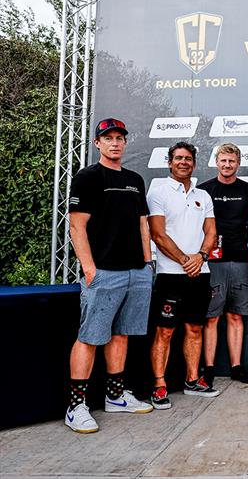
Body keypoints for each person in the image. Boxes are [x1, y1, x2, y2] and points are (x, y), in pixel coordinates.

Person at [65, 118, 154, 433]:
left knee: (121, 334)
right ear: (97, 143)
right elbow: (77, 225)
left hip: (136, 272)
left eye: (120, 138)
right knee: (89, 337)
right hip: (103, 271)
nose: (115, 143)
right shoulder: (88, 177)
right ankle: (76, 406)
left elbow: (143, 223)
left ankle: (115, 397)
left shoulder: (134, 179)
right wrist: (89, 269)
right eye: (108, 138)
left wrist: (147, 263)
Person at [147, 141, 219, 409]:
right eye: (178, 158)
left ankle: (192, 380)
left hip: (200, 272)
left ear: (194, 163)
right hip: (171, 275)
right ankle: (159, 385)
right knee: (165, 331)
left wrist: (199, 257)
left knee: (195, 328)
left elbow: (212, 232)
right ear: (169, 162)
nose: (183, 162)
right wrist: (184, 260)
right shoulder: (158, 193)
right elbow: (158, 234)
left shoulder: (204, 196)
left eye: (188, 158)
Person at [198, 144, 248, 386]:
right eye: (223, 160)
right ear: (216, 161)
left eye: (231, 161)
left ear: (238, 163)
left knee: (236, 316)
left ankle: (236, 367)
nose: (227, 165)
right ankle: (209, 368)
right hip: (211, 262)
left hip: (241, 259)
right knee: (212, 317)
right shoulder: (204, 190)